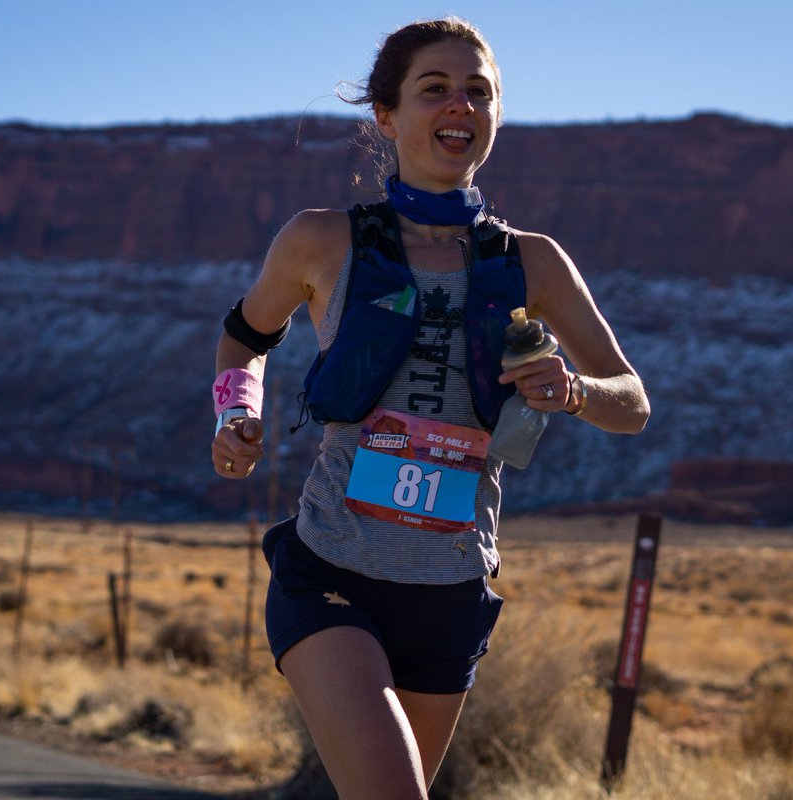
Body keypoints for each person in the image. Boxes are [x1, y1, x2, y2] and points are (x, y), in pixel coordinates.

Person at [210, 17, 649, 799]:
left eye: (479, 92)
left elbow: (634, 402)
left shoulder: (532, 262)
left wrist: (577, 393)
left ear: (497, 115)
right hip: (332, 569)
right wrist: (233, 414)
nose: (461, 106)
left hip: (450, 589)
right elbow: (245, 338)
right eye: (436, 89)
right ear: (387, 115)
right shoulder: (322, 240)